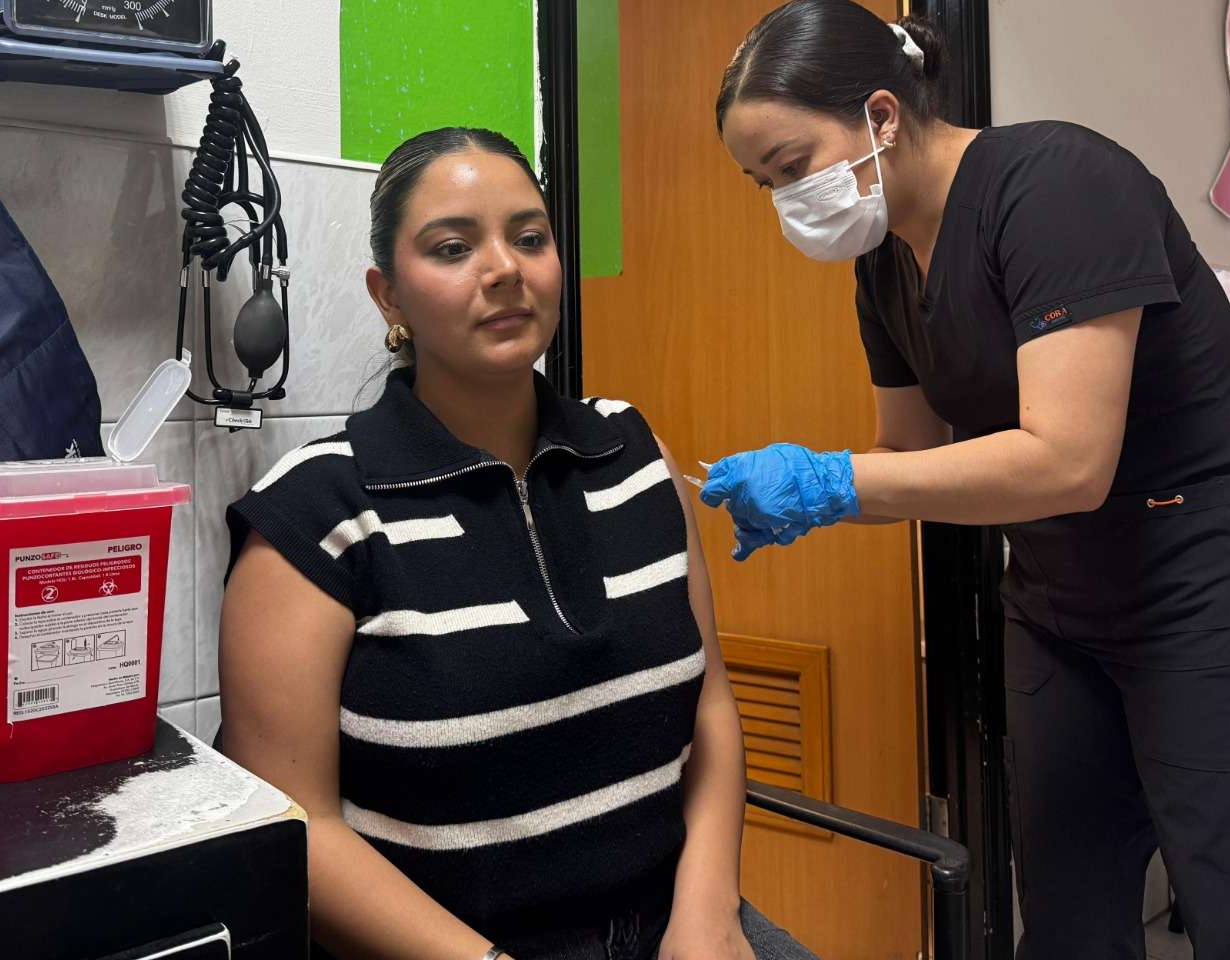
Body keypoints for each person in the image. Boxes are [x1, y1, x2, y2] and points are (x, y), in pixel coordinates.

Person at [699, 0, 1230, 960]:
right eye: (763, 184)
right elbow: (910, 457)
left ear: (881, 116)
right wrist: (808, 495)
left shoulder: (1057, 185)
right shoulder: (885, 268)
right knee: (1066, 921)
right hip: (1059, 610)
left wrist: (832, 484)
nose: (786, 201)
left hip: (1217, 596)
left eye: (792, 167)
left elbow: (1069, 458)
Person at [218, 127, 815, 960]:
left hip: (680, 930)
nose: (505, 269)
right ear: (388, 296)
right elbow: (296, 823)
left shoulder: (634, 452)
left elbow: (709, 701)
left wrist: (709, 913)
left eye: (529, 238)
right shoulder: (317, 512)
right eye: (454, 247)